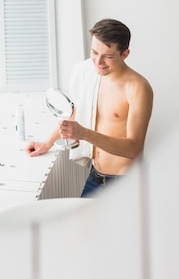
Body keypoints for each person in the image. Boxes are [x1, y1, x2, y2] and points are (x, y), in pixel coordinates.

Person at [24, 19, 154, 197]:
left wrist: (84, 134)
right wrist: (47, 143)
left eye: (108, 56)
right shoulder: (90, 74)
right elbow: (77, 113)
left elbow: (134, 147)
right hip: (95, 177)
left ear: (125, 54)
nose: (98, 62)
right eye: (94, 52)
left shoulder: (137, 88)